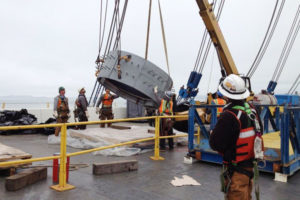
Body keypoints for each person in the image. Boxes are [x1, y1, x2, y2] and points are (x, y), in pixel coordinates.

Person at [209, 74, 263, 200]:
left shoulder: (230, 115)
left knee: (237, 195)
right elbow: (259, 131)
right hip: (249, 167)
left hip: (236, 169)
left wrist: (213, 135)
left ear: (226, 95)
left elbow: (216, 144)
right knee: (246, 195)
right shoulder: (251, 110)